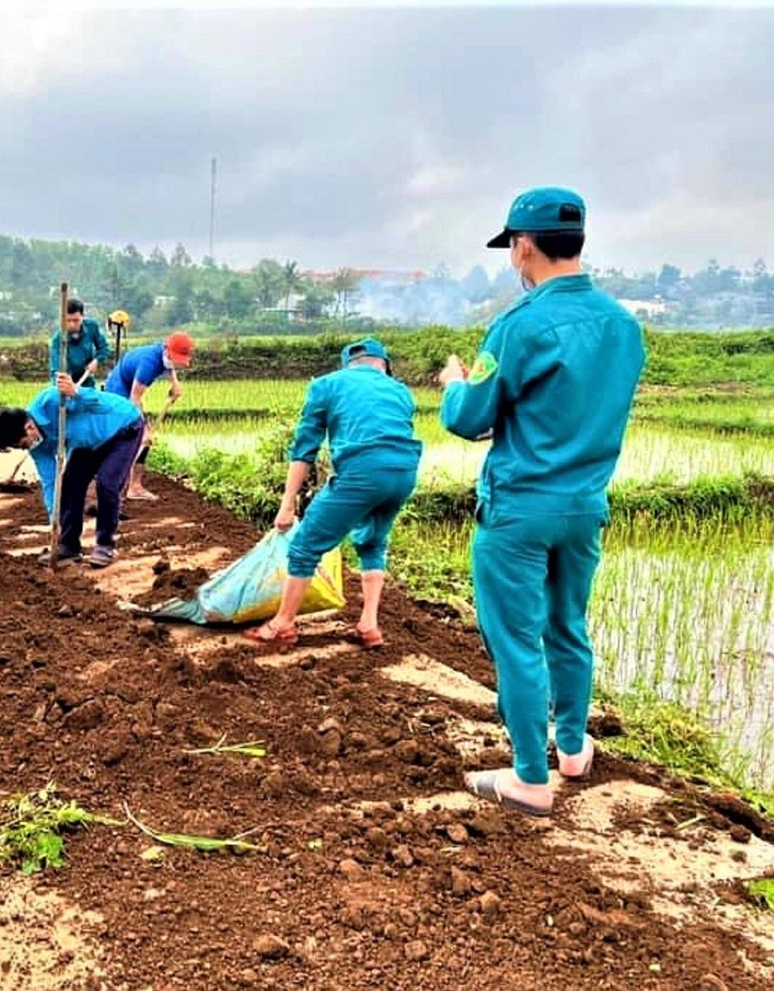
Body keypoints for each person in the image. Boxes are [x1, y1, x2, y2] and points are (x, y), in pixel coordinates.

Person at [439, 186, 644, 817]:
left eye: (512, 249)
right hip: (585, 505)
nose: (513, 259)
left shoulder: (519, 325)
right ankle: (574, 748)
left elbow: (471, 418)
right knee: (567, 625)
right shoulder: (623, 325)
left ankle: (530, 776)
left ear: (524, 246)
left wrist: (453, 385)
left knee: (516, 640)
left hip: (521, 508)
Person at [245, 338, 421, 649]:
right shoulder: (401, 391)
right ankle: (369, 624)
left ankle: (282, 624)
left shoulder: (327, 385)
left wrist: (287, 506)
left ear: (348, 365)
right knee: (372, 542)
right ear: (384, 365)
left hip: (362, 472)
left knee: (304, 547)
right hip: (404, 475)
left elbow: (305, 449)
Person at [0, 373, 144, 568]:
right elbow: (51, 483)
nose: (25, 448)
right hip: (86, 443)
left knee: (107, 484)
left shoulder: (52, 400)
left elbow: (101, 406)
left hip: (122, 427)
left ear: (29, 427)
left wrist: (76, 393)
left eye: (22, 443)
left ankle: (105, 545)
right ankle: (68, 546)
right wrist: (55, 520)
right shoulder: (37, 447)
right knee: (69, 486)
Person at [102, 331, 194, 501]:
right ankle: (113, 485)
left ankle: (134, 486)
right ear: (167, 351)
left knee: (142, 436)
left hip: (129, 389)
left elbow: (170, 366)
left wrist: (175, 383)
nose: (177, 363)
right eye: (175, 358)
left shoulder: (163, 353)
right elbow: (134, 399)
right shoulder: (149, 364)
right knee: (133, 434)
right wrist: (143, 430)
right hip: (118, 390)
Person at [48, 297, 112, 384]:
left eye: (76, 320)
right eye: (68, 320)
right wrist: (63, 383)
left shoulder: (92, 327)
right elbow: (55, 370)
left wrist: (96, 361)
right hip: (66, 383)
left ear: (82, 316)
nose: (72, 324)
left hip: (87, 380)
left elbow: (104, 348)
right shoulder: (57, 340)